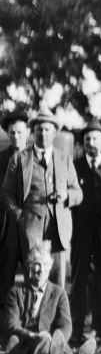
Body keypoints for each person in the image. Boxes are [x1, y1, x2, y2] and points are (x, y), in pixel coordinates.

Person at [1, 108, 82, 288]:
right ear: (33, 132)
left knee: (57, 283)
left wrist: (66, 196)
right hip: (31, 229)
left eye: (47, 129)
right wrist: (19, 215)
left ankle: (57, 316)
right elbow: (6, 193)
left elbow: (78, 192)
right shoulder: (20, 159)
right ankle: (33, 316)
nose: (43, 133)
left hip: (58, 229)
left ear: (54, 132)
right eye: (39, 129)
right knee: (34, 280)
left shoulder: (64, 159)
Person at [1, 244, 95, 354]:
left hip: (51, 342)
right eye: (37, 264)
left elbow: (66, 325)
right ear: (29, 265)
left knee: (47, 343)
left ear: (50, 267)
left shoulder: (59, 293)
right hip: (25, 344)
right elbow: (11, 324)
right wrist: (32, 335)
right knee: (44, 343)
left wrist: (56, 338)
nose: (41, 269)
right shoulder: (15, 293)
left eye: (45, 265)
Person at [70, 121, 101, 346]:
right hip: (81, 229)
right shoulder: (75, 165)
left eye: (95, 138)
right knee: (80, 279)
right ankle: (76, 328)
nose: (91, 142)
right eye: (87, 139)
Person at [0, 110, 30, 296]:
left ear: (28, 132)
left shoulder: (36, 157)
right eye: (12, 132)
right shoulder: (1, 159)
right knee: (4, 278)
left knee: (32, 276)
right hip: (7, 226)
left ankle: (30, 322)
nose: (16, 136)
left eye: (20, 132)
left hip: (30, 226)